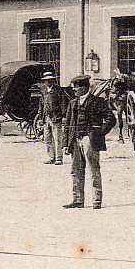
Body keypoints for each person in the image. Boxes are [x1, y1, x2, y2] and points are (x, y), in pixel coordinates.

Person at [62, 74, 115, 209]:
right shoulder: (72, 103)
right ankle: (78, 200)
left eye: (76, 87)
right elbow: (67, 125)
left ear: (84, 88)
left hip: (90, 140)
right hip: (75, 141)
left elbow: (111, 119)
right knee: (75, 171)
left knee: (94, 170)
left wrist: (99, 133)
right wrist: (65, 144)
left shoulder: (98, 102)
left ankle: (96, 201)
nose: (74, 90)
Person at [37, 72, 66, 165]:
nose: (48, 82)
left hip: (56, 118)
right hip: (46, 119)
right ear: (44, 82)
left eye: (50, 80)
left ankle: (59, 158)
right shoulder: (44, 91)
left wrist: (63, 116)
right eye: (46, 81)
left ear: (53, 81)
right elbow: (41, 105)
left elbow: (63, 104)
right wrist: (41, 118)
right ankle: (51, 157)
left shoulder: (58, 91)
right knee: (47, 139)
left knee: (57, 138)